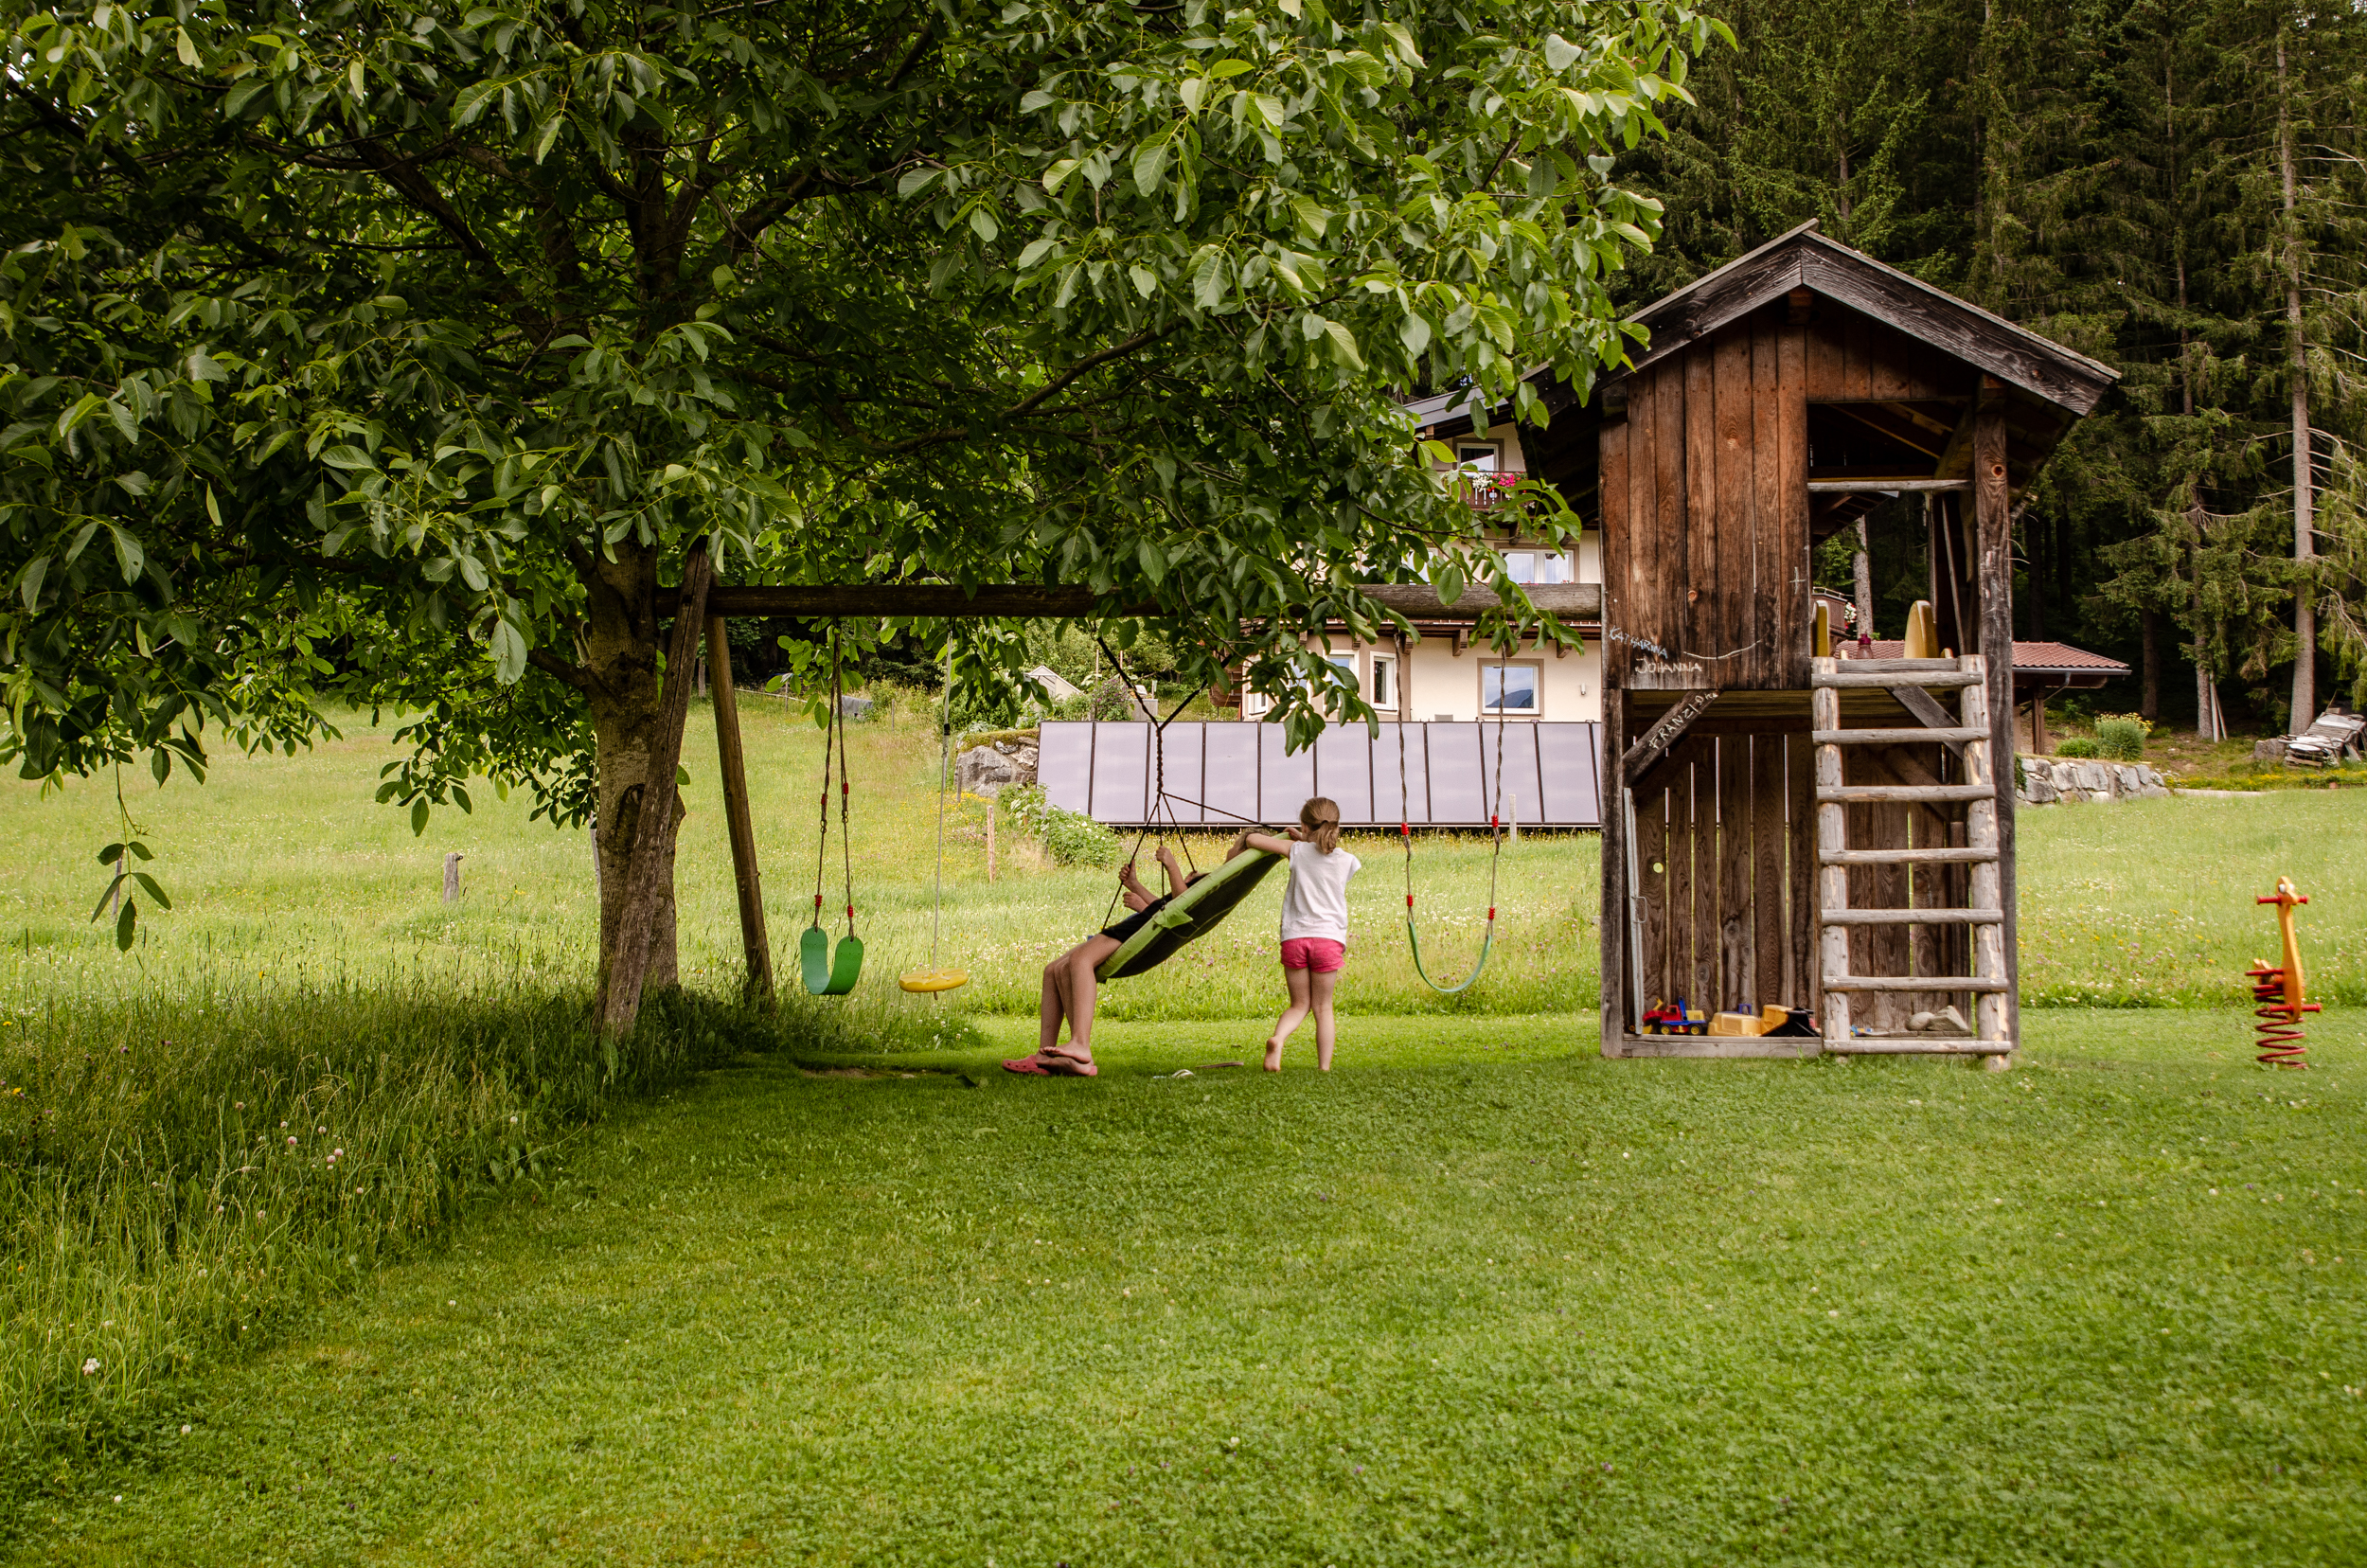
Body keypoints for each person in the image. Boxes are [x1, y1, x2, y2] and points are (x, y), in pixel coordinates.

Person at [1003, 844, 1201, 1077]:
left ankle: (1080, 1045)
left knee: (1079, 961)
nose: (1188, 876)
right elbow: (1165, 906)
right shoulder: (1196, 888)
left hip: (1136, 929)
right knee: (1054, 969)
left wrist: (1172, 865)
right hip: (1139, 923)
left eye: (1191, 877)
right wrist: (1135, 886)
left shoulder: (1205, 884)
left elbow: (1182, 906)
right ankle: (1045, 1057)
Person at [1230, 797, 1361, 1072]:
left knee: (1299, 1004)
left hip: (1295, 939)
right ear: (1336, 825)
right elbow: (1325, 854)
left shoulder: (1295, 851)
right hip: (1327, 940)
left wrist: (1297, 840)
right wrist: (1305, 837)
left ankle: (1278, 1040)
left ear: (1304, 824)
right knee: (1323, 1008)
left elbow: (1253, 840)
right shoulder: (1348, 861)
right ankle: (1324, 1068)